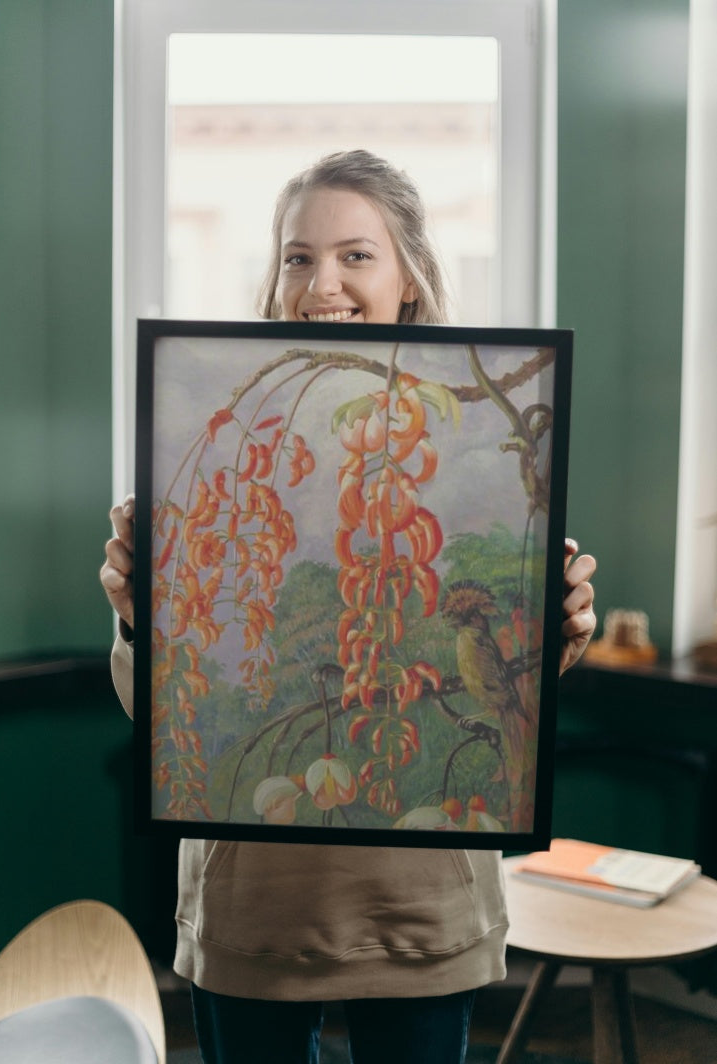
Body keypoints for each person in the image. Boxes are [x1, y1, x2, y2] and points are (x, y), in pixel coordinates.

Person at [101, 150, 597, 1064]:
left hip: (421, 906)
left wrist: (555, 629)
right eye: (297, 256)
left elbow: (509, 701)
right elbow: (171, 714)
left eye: (354, 255)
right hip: (252, 908)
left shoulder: (483, 447)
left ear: (409, 275)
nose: (320, 282)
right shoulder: (213, 441)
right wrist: (141, 620)